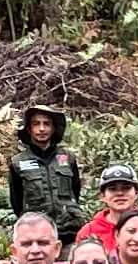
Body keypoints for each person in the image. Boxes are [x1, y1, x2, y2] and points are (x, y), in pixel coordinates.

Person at [5, 100, 83, 246]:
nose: (41, 129)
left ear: (53, 128)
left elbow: (75, 191)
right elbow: (17, 201)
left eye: (47, 124)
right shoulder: (18, 162)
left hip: (69, 232)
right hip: (37, 234)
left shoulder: (68, 158)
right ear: (29, 129)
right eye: (36, 124)